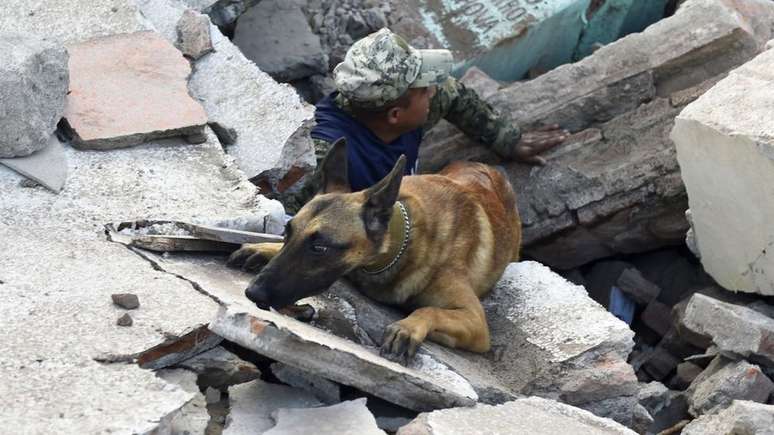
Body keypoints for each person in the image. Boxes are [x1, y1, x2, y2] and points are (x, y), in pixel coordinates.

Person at [280, 28, 567, 213]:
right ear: (396, 115)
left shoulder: (397, 106)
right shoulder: (325, 158)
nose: (434, 89)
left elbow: (455, 96)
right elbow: (288, 221)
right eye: (424, 89)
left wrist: (507, 139)